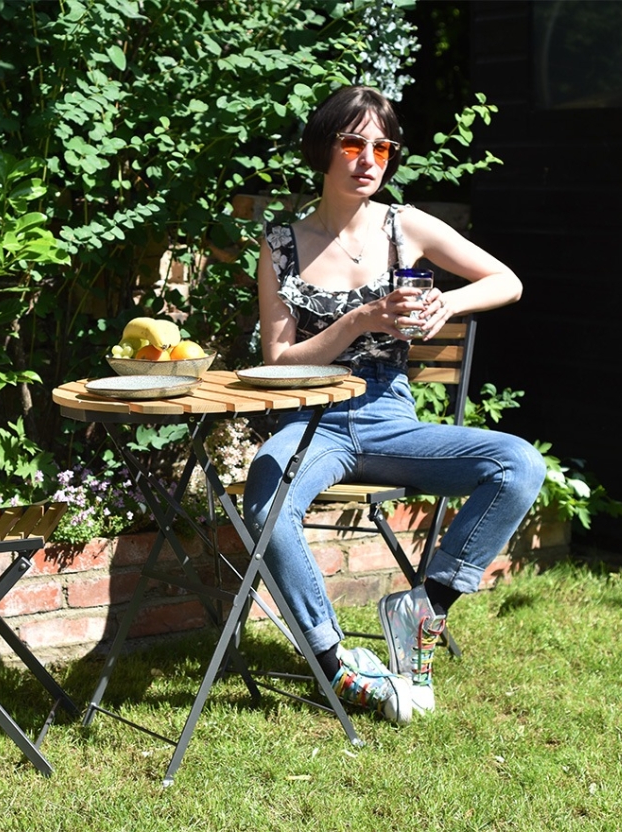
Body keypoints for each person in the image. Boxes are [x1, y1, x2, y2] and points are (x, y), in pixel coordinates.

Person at [243, 85, 546, 724]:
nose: (369, 159)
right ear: (323, 150)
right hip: (309, 422)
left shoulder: (404, 225)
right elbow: (277, 360)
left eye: (383, 146)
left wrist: (447, 304)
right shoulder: (280, 247)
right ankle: (336, 663)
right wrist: (357, 321)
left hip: (387, 417)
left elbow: (507, 281)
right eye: (353, 143)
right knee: (267, 503)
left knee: (519, 464)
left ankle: (424, 608)